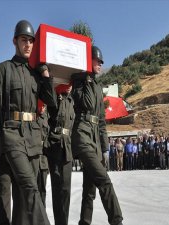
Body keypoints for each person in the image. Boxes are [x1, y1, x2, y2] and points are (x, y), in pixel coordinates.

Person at [0, 20, 55, 225]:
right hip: (11, 136)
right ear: (14, 41)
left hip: (33, 136)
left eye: (31, 41)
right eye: (24, 40)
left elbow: (50, 101)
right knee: (30, 187)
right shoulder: (3, 70)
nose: (28, 45)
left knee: (24, 198)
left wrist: (46, 75)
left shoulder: (36, 74)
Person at [71, 46, 123, 225]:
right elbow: (84, 103)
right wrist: (85, 78)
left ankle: (84, 222)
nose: (100, 64)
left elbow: (101, 120)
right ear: (88, 60)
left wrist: (105, 147)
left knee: (90, 188)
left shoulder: (99, 87)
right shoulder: (78, 81)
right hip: (82, 135)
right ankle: (117, 221)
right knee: (104, 181)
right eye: (97, 61)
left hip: (95, 139)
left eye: (101, 62)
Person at [45, 83, 75, 225]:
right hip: (55, 145)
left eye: (71, 84)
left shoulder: (72, 101)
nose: (69, 87)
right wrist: (58, 94)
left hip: (67, 146)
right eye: (66, 84)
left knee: (66, 189)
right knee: (57, 189)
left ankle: (64, 221)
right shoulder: (54, 99)